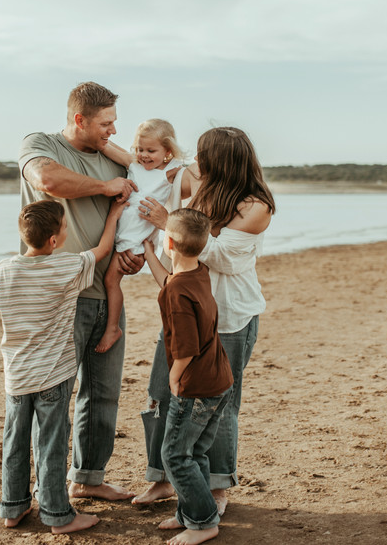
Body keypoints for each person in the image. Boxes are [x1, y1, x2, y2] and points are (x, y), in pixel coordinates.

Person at [133, 127, 275, 517]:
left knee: (220, 405)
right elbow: (152, 163)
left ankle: (217, 486)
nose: (196, 161)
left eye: (202, 155)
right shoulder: (199, 182)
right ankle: (161, 477)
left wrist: (169, 223)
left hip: (229, 317)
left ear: (220, 160)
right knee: (161, 391)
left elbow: (223, 258)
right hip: (183, 307)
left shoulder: (255, 206)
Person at [18, 81, 144, 501]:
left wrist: (134, 256)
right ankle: (46, 488)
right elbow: (48, 180)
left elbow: (135, 216)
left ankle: (88, 478)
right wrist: (106, 187)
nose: (112, 130)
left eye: (114, 122)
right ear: (79, 119)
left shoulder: (117, 162)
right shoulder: (43, 145)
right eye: (105, 123)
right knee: (53, 395)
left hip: (106, 293)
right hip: (57, 298)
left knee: (103, 393)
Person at [0, 198, 124, 533]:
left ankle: (12, 509)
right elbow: (102, 250)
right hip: (54, 375)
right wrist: (114, 213)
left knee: (14, 440)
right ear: (55, 240)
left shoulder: (2, 271)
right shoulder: (67, 267)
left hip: (17, 376)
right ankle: (58, 515)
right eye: (65, 227)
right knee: (52, 443)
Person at [141, 208, 233, 545]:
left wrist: (175, 379)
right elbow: (169, 280)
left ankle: (204, 522)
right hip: (219, 378)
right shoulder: (199, 272)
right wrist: (150, 254)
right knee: (195, 453)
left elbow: (186, 348)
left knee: (175, 455)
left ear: (169, 242)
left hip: (196, 385)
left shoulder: (177, 292)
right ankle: (188, 512)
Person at [95, 119, 185, 353]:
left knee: (110, 281)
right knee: (108, 278)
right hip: (121, 231)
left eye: (151, 151)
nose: (144, 155)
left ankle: (112, 328)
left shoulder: (171, 171)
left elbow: (196, 170)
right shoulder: (134, 164)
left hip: (135, 240)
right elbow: (106, 147)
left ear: (167, 151)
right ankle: (111, 326)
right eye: (140, 149)